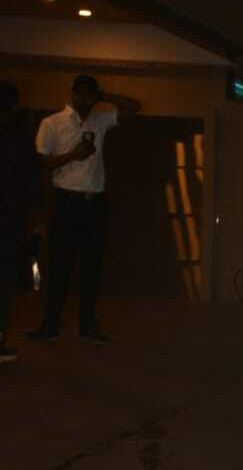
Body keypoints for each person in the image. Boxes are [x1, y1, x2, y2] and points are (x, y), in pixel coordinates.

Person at [30, 73, 140, 344]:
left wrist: (105, 97)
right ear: (74, 94)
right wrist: (74, 155)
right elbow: (42, 163)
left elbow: (133, 108)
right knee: (60, 265)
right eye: (84, 95)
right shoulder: (52, 123)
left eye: (93, 97)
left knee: (92, 266)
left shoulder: (100, 119)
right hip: (65, 202)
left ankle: (87, 326)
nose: (88, 102)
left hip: (94, 204)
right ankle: (50, 325)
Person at [0, 81, 39, 363]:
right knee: (3, 284)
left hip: (10, 220)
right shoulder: (19, 140)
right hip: (9, 221)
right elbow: (30, 185)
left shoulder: (19, 140)